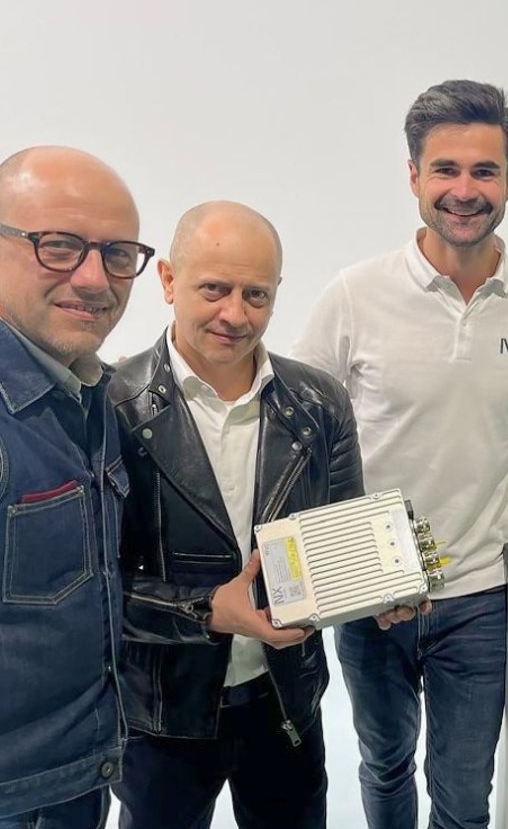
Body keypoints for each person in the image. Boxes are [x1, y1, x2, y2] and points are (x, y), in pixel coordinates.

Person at [292, 79, 508, 829]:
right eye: (445, 169)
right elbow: (297, 426)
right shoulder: (356, 294)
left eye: (484, 171)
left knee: (463, 795)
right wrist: (333, 554)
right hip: (371, 592)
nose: (464, 190)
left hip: (481, 593)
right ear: (413, 175)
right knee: (385, 764)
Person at [0, 146, 149, 827]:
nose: (94, 278)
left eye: (117, 253)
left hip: (71, 781)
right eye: (60, 246)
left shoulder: (84, 384)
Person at [108, 201, 364, 829]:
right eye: (214, 289)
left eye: (256, 295)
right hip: (159, 713)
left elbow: (342, 537)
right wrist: (205, 610)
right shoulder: (111, 406)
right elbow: (91, 587)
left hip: (287, 699)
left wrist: (380, 587)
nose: (235, 314)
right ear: (169, 280)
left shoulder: (319, 403)